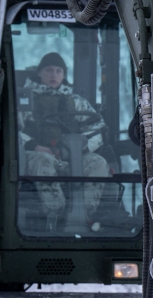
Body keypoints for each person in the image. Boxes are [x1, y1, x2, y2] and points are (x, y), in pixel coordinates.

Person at [20, 52, 109, 222]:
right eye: (49, 70)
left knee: (98, 162)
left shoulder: (75, 101)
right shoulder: (26, 100)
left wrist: (80, 149)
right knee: (42, 160)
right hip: (36, 156)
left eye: (59, 71)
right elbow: (13, 129)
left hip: (72, 159)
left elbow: (97, 127)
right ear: (39, 73)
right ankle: (56, 215)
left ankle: (84, 215)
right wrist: (35, 146)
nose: (54, 75)